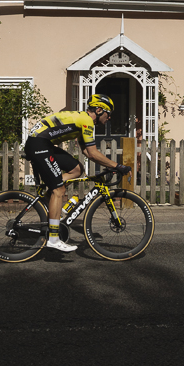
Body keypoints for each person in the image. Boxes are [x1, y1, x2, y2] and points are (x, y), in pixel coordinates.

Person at [23, 94, 129, 252]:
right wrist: (117, 166)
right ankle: (53, 238)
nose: (109, 117)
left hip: (43, 143)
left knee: (77, 169)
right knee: (59, 189)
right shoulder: (86, 121)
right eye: (108, 113)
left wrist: (110, 165)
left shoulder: (83, 121)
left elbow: (86, 151)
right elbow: (93, 153)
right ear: (99, 110)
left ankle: (50, 200)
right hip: (39, 144)